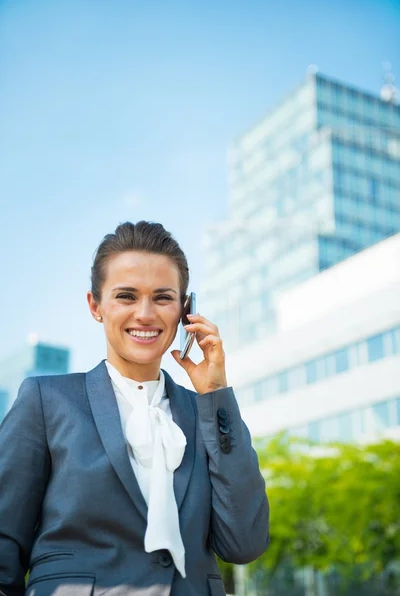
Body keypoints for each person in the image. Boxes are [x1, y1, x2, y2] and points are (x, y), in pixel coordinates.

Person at [0, 221, 269, 596]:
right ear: (96, 306)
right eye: (126, 296)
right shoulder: (46, 401)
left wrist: (216, 396)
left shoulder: (206, 415)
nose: (145, 313)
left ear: (185, 310)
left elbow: (245, 543)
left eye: (162, 298)